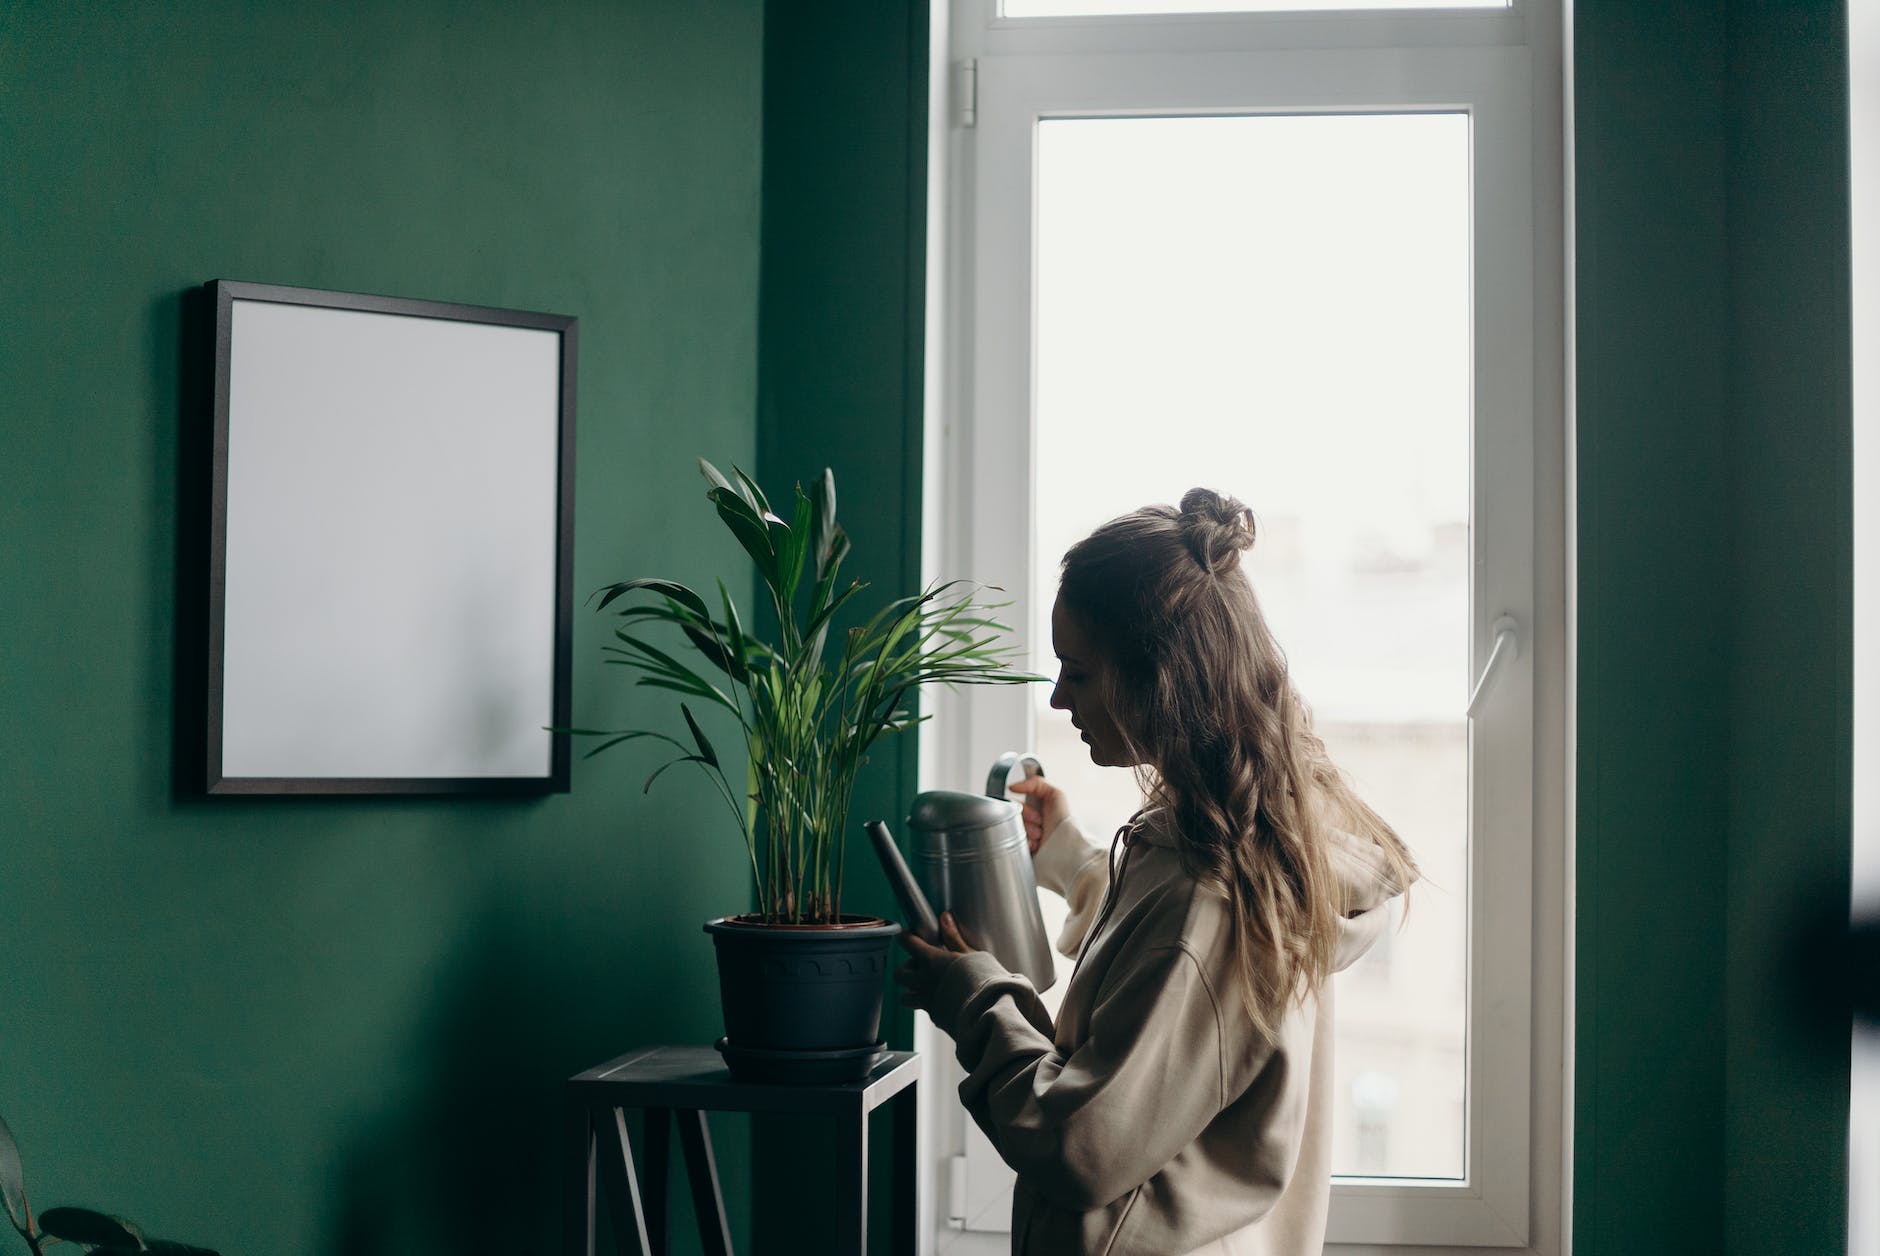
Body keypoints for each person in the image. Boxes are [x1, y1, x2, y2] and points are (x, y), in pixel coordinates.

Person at [896, 488, 1418, 1256]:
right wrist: (1074, 859)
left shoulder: (1207, 895)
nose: (1057, 697)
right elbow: (1181, 994)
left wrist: (976, 1001)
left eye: (1078, 671)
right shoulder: (1264, 838)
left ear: (1159, 677)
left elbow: (1081, 1145)